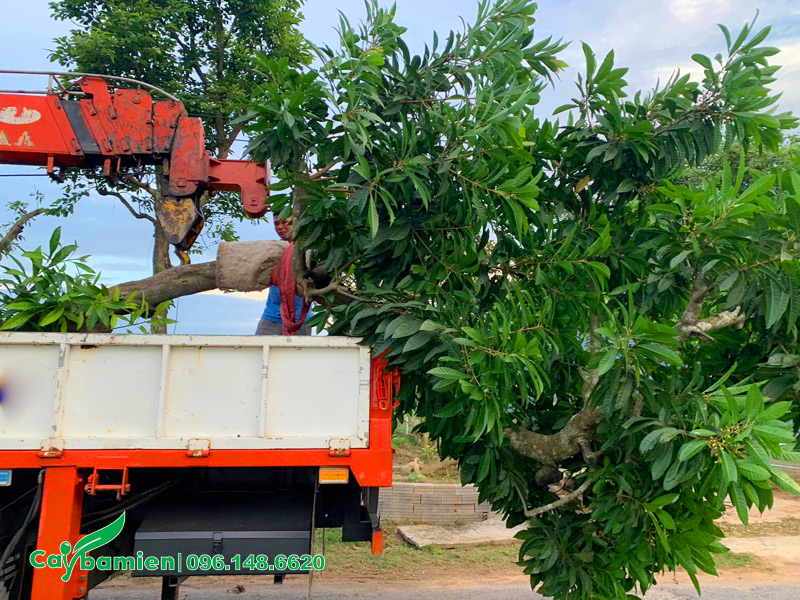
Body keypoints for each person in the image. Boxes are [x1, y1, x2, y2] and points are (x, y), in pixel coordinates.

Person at [254, 211, 312, 336]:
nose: (280, 227)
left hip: (300, 319)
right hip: (271, 316)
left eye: (284, 222)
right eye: (276, 224)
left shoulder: (308, 249)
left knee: (298, 355)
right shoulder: (273, 250)